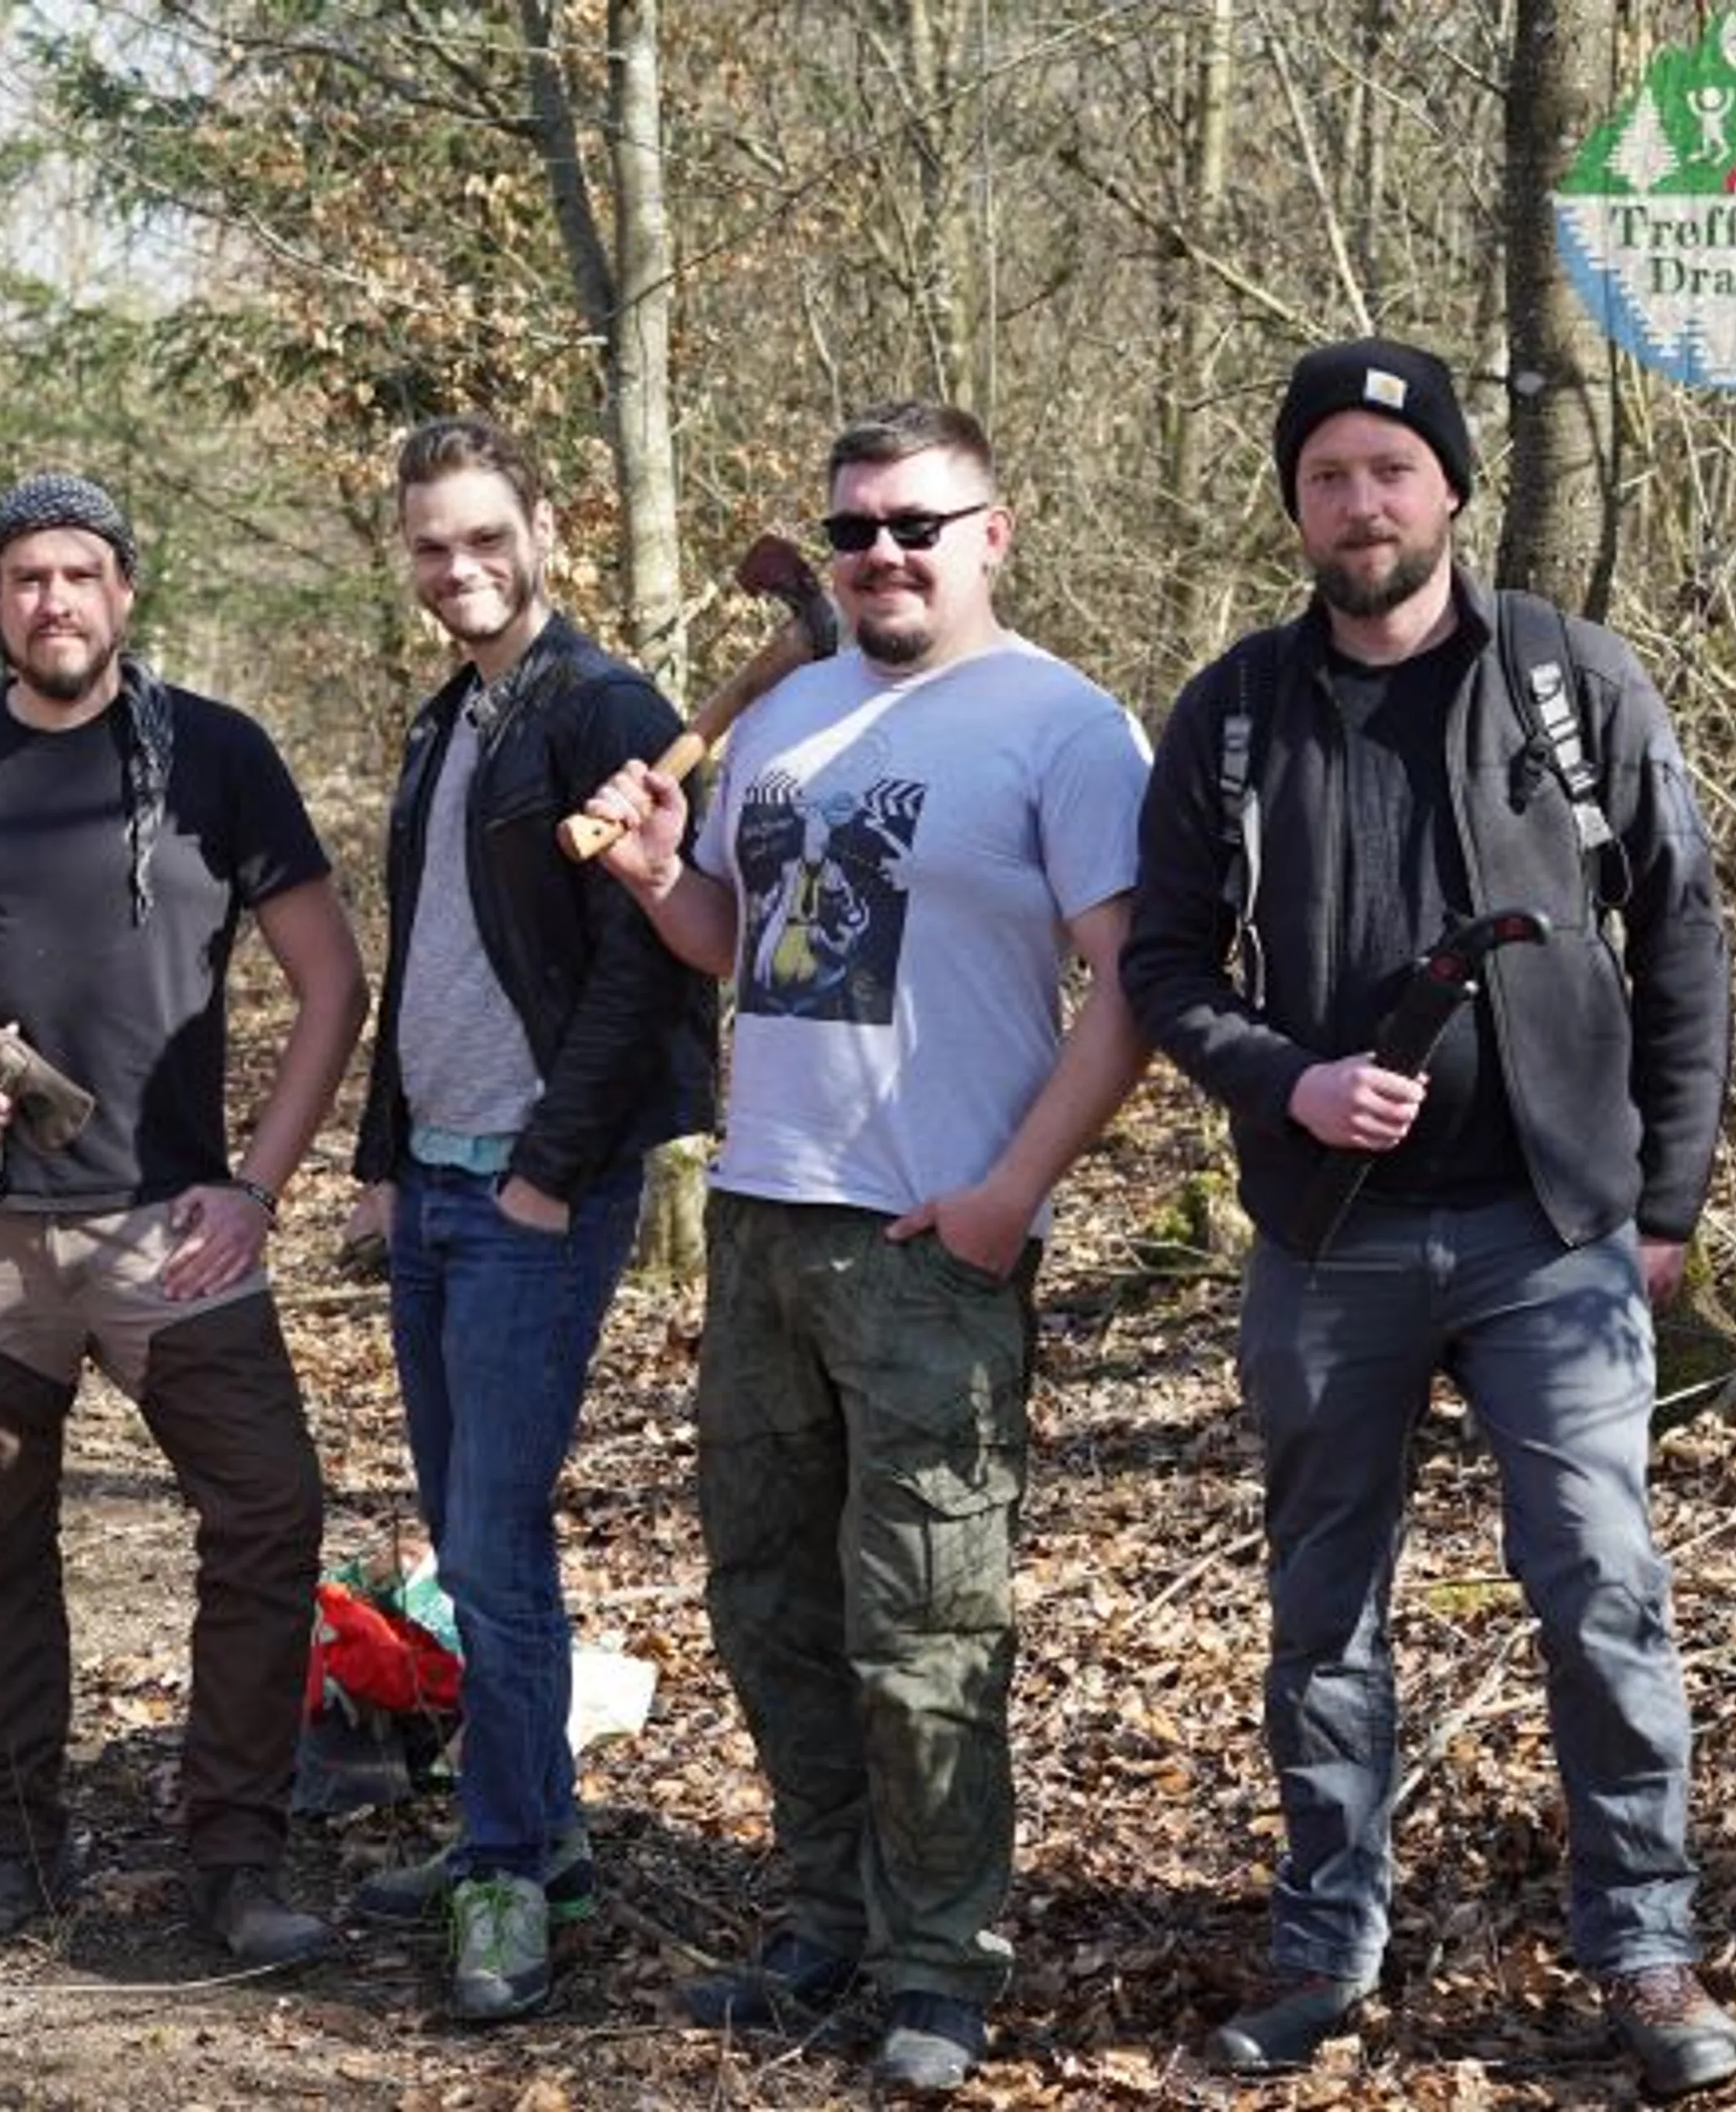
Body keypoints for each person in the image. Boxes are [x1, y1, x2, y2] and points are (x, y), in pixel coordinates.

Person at [1120, 338, 1736, 2099]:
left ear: (1452, 488)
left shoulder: (1569, 679)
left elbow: (1682, 932)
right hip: (1330, 1242)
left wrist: (1666, 1200)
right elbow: (1162, 965)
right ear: (1295, 506)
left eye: (1391, 470)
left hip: (1554, 1233)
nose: (1361, 503)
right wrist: (1290, 1082)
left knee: (1602, 1583)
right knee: (1324, 1611)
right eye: (1326, 475)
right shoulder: (1232, 715)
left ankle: (1643, 1945)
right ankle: (1324, 1949)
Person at [579, 402, 1150, 2096]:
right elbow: (740, 944)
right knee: (770, 1607)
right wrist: (654, 874)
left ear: (995, 532)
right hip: (764, 1214)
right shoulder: (784, 713)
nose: (881, 553)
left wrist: (1011, 1192)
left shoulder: (1065, 727)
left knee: (925, 1627)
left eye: (916, 523)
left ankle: (941, 1963)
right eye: (853, 530)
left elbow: (1134, 985)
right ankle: (827, 1917)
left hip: (931, 1240)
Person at [0, 470, 366, 1969]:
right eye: (25, 579)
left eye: (80, 573)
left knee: (267, 1511)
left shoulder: (216, 754)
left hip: (170, 1227)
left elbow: (332, 983)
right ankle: (15, 1844)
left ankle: (235, 1854)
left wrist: (256, 1187)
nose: (54, 600)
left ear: (125, 590)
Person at [338, 416, 714, 2020]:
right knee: (476, 1535)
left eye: (486, 536)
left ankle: (503, 1867)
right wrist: (382, 1151)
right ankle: (536, 1834)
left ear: (546, 530)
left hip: (530, 1191)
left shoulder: (601, 709)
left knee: (491, 1540)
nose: (460, 568)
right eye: (432, 545)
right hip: (437, 1183)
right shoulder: (450, 719)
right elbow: (423, 947)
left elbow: (646, 967)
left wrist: (550, 1168)